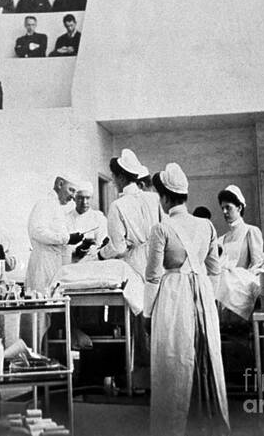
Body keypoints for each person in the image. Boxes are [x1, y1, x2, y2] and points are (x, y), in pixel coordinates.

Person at [144, 163, 229, 436]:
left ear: (166, 197)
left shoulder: (161, 228)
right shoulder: (206, 225)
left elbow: (154, 277)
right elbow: (215, 270)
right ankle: (205, 421)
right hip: (202, 295)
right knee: (203, 354)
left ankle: (173, 427)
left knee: (174, 357)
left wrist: (147, 314)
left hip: (173, 297)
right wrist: (208, 303)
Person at [98, 148, 161, 390]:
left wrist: (102, 254)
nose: (114, 182)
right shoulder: (154, 199)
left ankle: (138, 378)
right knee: (158, 318)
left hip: (134, 263)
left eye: (115, 177)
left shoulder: (118, 205)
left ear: (122, 177)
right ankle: (161, 377)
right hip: (157, 260)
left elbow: (118, 246)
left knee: (136, 321)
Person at [217, 185, 264, 396]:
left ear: (240, 207)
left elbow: (257, 265)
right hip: (225, 291)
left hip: (243, 287)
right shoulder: (223, 239)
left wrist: (236, 274)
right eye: (223, 209)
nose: (225, 212)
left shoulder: (250, 232)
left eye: (228, 207)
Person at [26, 175, 84, 294]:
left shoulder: (56, 207)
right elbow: (37, 231)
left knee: (52, 305)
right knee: (40, 305)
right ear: (60, 184)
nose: (73, 197)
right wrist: (67, 238)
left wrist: (74, 246)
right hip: (43, 264)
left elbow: (57, 240)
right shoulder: (45, 203)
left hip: (54, 265)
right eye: (71, 190)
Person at [66, 181, 108, 262]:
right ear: (74, 198)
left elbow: (102, 245)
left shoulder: (99, 218)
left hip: (92, 264)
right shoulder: (66, 219)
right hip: (71, 264)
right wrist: (76, 250)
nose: (84, 202)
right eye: (80, 198)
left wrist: (91, 247)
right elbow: (63, 245)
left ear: (91, 198)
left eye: (87, 198)